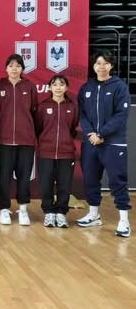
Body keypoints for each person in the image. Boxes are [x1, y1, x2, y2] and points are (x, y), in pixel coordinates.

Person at [77, 51, 131, 238]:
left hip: (113, 143)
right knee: (90, 180)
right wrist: (91, 134)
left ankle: (124, 221)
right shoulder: (87, 87)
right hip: (91, 142)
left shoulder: (119, 87)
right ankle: (94, 215)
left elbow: (121, 115)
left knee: (117, 181)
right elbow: (82, 114)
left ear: (111, 66)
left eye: (105, 63)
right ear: (93, 66)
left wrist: (102, 134)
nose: (101, 66)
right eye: (98, 63)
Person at [0, 54, 38, 226]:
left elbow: (34, 111)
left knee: (24, 177)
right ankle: (4, 209)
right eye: (11, 65)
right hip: (3, 141)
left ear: (22, 69)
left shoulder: (30, 87)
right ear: (6, 68)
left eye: (18, 66)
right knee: (3, 177)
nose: (14, 69)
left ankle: (23, 209)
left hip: (26, 141)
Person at [35, 75, 78, 228]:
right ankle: (49, 212)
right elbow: (38, 127)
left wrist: (66, 140)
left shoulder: (72, 106)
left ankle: (61, 213)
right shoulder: (43, 106)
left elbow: (73, 128)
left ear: (66, 88)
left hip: (66, 153)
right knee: (46, 184)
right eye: (55, 84)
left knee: (64, 185)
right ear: (50, 88)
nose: (58, 87)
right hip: (45, 152)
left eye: (62, 84)